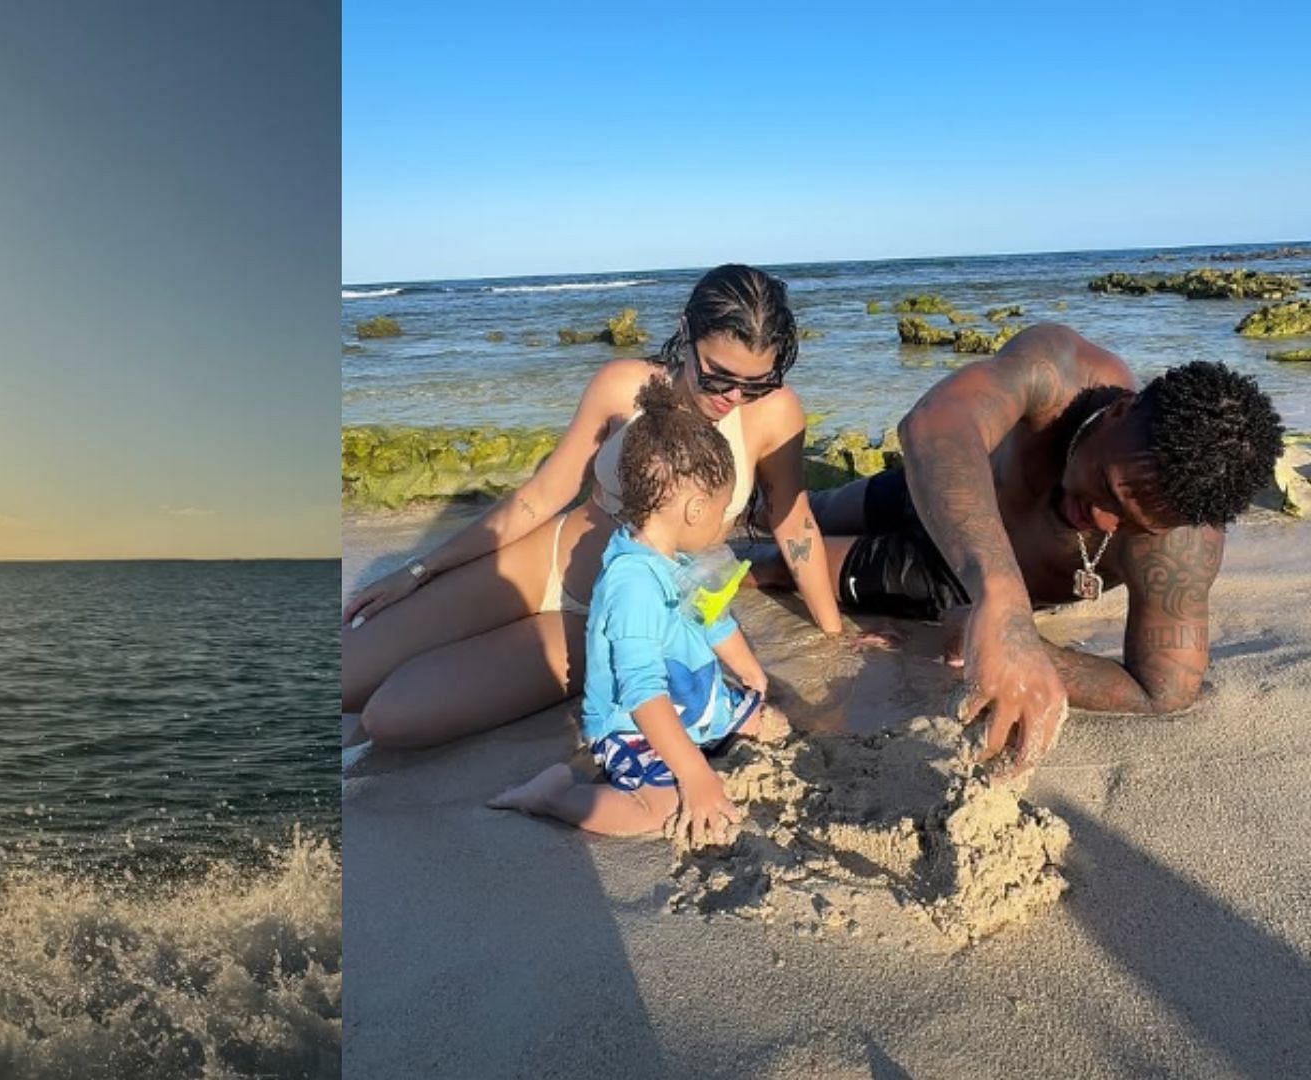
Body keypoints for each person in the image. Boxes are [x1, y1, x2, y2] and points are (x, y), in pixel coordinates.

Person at [343, 264, 846, 750]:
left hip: (615, 619)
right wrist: (418, 570)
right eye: (719, 376)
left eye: (755, 381)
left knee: (389, 719)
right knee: (346, 675)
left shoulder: (776, 412)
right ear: (686, 331)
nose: (735, 396)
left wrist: (834, 636)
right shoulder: (622, 385)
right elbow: (540, 497)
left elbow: (792, 519)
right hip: (546, 562)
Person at [757, 323, 1284, 776]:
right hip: (942, 490)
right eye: (1107, 488)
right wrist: (1004, 596)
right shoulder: (1061, 372)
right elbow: (933, 424)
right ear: (1122, 410)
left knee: (783, 565)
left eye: (1130, 523)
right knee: (787, 513)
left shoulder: (1181, 546)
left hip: (946, 577)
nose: (1101, 519)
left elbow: (1162, 691)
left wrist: (1030, 648)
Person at [488, 403, 786, 844]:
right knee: (658, 809)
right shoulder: (633, 584)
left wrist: (748, 671)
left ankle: (707, 735)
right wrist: (696, 776)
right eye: (725, 510)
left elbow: (712, 618)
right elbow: (642, 690)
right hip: (636, 722)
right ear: (695, 508)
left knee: (770, 722)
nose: (727, 523)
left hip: (691, 699)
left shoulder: (679, 557)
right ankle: (553, 798)